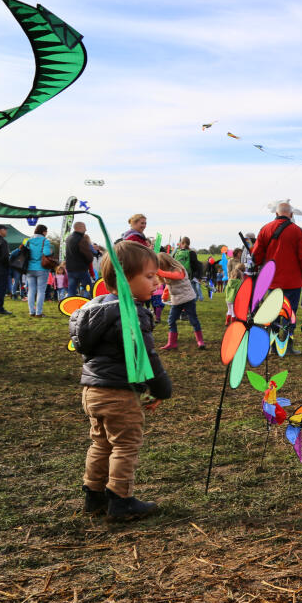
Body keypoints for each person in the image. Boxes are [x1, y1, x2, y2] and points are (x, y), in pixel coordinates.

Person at [69, 240, 171, 520]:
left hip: (92, 391)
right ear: (126, 279)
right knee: (126, 445)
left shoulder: (92, 310)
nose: (156, 281)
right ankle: (121, 500)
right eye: (149, 276)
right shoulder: (131, 314)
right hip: (118, 394)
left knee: (101, 443)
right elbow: (147, 357)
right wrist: (161, 387)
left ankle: (94, 494)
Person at [252, 202, 302, 354]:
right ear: (291, 215)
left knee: (273, 314)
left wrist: (261, 265)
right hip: (293, 281)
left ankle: (272, 346)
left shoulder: (265, 229)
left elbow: (255, 256)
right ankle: (287, 346)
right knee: (290, 314)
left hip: (272, 280)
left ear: (276, 214)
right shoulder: (297, 231)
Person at [156, 252, 205, 349]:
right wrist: (165, 295)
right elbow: (169, 285)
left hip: (188, 299)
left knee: (193, 320)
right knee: (171, 320)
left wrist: (159, 271)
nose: (160, 267)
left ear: (166, 262)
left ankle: (200, 341)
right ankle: (172, 343)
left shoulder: (178, 269)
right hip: (176, 300)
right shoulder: (167, 272)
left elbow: (176, 276)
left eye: (161, 265)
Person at [24, 224, 53, 318]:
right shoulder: (45, 241)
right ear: (43, 232)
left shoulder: (28, 240)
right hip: (41, 268)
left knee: (31, 290)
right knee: (41, 291)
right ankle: (38, 313)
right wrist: (51, 251)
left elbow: (24, 252)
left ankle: (31, 311)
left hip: (29, 268)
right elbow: (46, 253)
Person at [65, 222, 95, 297]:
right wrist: (90, 258)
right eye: (84, 227)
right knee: (87, 288)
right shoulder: (82, 239)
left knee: (71, 290)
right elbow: (88, 256)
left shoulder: (68, 238)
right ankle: (85, 304)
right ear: (80, 228)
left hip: (70, 269)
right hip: (81, 268)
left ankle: (70, 306)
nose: (86, 229)